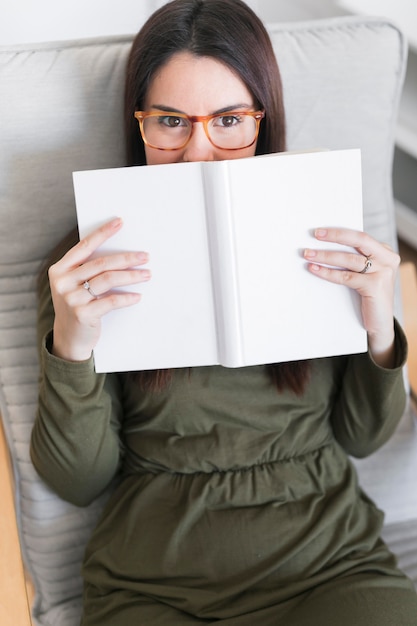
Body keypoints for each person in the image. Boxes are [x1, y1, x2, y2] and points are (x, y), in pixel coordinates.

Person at [30, 0, 417, 624]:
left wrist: (378, 329)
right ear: (141, 126)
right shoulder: (81, 270)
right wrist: (72, 346)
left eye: (229, 120)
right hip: (153, 587)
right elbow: (79, 480)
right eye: (172, 122)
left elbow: (362, 440)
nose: (199, 154)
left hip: (329, 566)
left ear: (263, 121)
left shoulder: (325, 241)